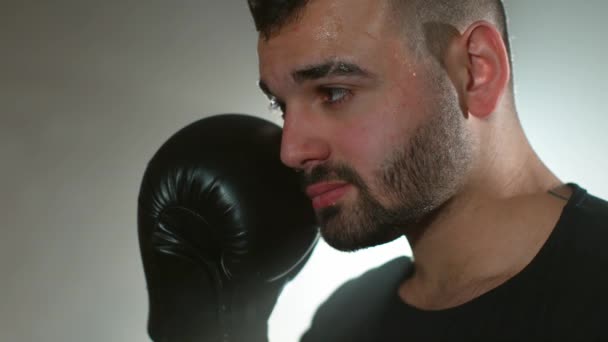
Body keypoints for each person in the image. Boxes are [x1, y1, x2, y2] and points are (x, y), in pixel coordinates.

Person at [248, 0, 608, 340]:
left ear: (474, 71)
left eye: (334, 92)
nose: (291, 151)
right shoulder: (343, 317)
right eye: (281, 105)